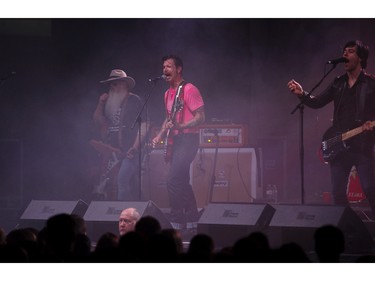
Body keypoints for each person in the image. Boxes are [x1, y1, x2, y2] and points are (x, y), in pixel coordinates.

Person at [288, 40, 375, 219]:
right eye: (344, 51)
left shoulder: (371, 83)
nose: (345, 55)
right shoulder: (338, 82)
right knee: (338, 193)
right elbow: (318, 101)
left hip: (362, 145)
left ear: (360, 58)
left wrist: (370, 124)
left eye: (350, 52)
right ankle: (348, 232)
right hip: (339, 145)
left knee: (370, 189)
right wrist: (302, 94)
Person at [152, 55, 205, 231]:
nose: (164, 70)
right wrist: (159, 135)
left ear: (179, 69)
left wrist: (182, 126)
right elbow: (168, 119)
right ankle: (192, 219)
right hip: (175, 140)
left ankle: (176, 219)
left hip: (188, 139)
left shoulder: (190, 89)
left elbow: (201, 117)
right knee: (181, 180)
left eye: (168, 66)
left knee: (173, 179)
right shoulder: (167, 94)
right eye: (163, 67)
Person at [92, 69, 149, 200]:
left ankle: (121, 214)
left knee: (122, 180)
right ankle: (145, 212)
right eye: (111, 84)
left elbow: (145, 124)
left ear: (124, 84)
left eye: (115, 83)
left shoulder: (134, 100)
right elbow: (97, 122)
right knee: (132, 185)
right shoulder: (108, 102)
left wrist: (135, 147)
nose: (112, 87)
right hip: (114, 152)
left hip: (131, 150)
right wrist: (100, 104)